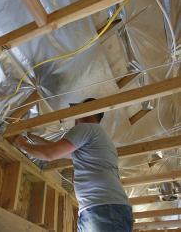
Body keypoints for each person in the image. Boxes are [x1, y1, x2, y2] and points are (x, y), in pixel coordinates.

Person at [15, 98, 133, 232]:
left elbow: (50, 154)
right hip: (103, 209)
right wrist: (34, 138)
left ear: (88, 111)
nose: (75, 116)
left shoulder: (87, 128)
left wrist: (21, 144)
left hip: (103, 210)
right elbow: (57, 150)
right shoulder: (98, 137)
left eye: (78, 110)